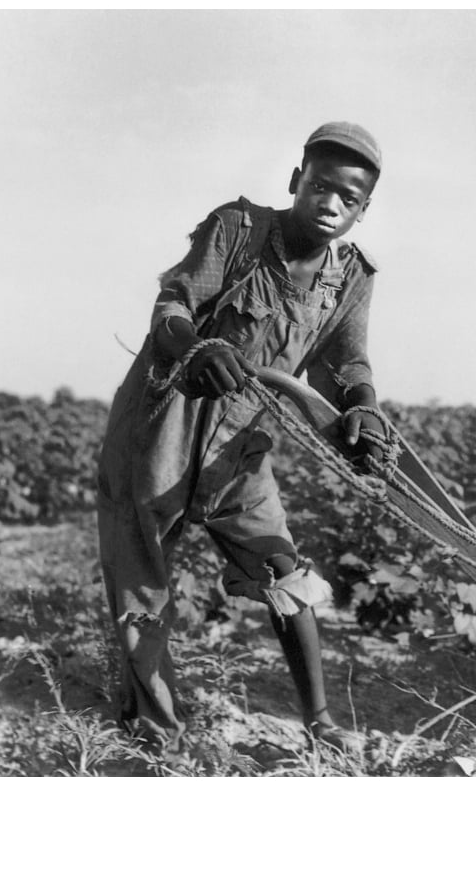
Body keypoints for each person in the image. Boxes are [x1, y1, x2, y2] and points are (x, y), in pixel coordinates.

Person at [96, 121, 385, 750]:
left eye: (350, 199)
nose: (331, 204)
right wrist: (195, 346)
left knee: (283, 570)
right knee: (141, 579)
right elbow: (172, 305)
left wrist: (361, 406)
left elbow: (346, 363)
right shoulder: (238, 229)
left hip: (241, 438)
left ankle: (321, 723)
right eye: (320, 186)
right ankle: (155, 734)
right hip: (163, 416)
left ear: (364, 211)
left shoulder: (352, 277)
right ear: (296, 181)